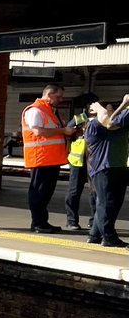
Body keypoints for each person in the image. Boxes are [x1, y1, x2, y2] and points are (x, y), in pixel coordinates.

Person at [20, 83, 75, 233]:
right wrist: (63, 130)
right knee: (39, 191)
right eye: (59, 96)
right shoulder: (36, 110)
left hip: (50, 159)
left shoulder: (49, 111)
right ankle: (38, 223)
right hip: (41, 158)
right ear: (49, 94)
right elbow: (38, 132)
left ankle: (42, 222)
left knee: (45, 192)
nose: (61, 99)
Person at [84, 94, 129, 248]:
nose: (112, 111)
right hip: (105, 168)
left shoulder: (113, 122)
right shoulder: (96, 125)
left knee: (108, 203)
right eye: (110, 108)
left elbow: (112, 120)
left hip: (116, 167)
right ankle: (109, 237)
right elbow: (108, 122)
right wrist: (122, 104)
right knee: (107, 204)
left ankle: (95, 235)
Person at [63, 92, 98, 231]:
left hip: (94, 160)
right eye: (93, 103)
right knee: (74, 191)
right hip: (78, 160)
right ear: (87, 106)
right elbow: (67, 132)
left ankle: (94, 221)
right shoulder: (79, 119)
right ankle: (71, 221)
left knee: (94, 192)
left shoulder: (101, 119)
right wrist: (76, 131)